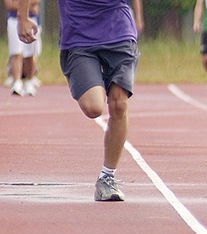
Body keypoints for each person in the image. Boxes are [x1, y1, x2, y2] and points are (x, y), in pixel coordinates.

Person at [18, 0, 143, 202]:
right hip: (79, 37)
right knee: (93, 107)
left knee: (119, 104)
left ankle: (107, 177)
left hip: (119, 31)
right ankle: (91, 77)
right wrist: (23, 18)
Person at [6, 0, 40, 96]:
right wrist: (25, 8)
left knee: (30, 54)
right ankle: (17, 82)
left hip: (32, 19)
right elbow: (10, 5)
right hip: (14, 20)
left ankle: (29, 80)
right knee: (16, 52)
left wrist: (21, 6)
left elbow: (36, 2)